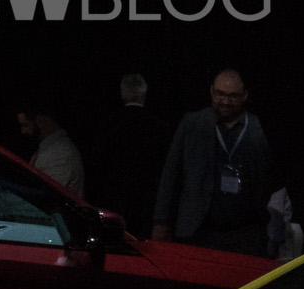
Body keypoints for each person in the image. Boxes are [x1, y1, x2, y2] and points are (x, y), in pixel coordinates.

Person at [153, 68, 278, 256]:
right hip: (198, 230)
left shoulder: (258, 129)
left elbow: (272, 178)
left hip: (246, 233)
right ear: (211, 91)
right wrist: (161, 221)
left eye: (233, 96)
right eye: (220, 94)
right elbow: (171, 174)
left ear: (245, 96)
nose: (225, 101)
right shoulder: (192, 123)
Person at [92, 73, 170, 238]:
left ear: (123, 94)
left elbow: (98, 166)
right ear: (144, 94)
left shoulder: (108, 125)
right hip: (145, 207)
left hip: (112, 204)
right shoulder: (159, 128)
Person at [16, 101, 84, 197]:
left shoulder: (61, 154)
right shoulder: (48, 149)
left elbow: (45, 197)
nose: (23, 131)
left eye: (25, 125)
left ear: (41, 121)